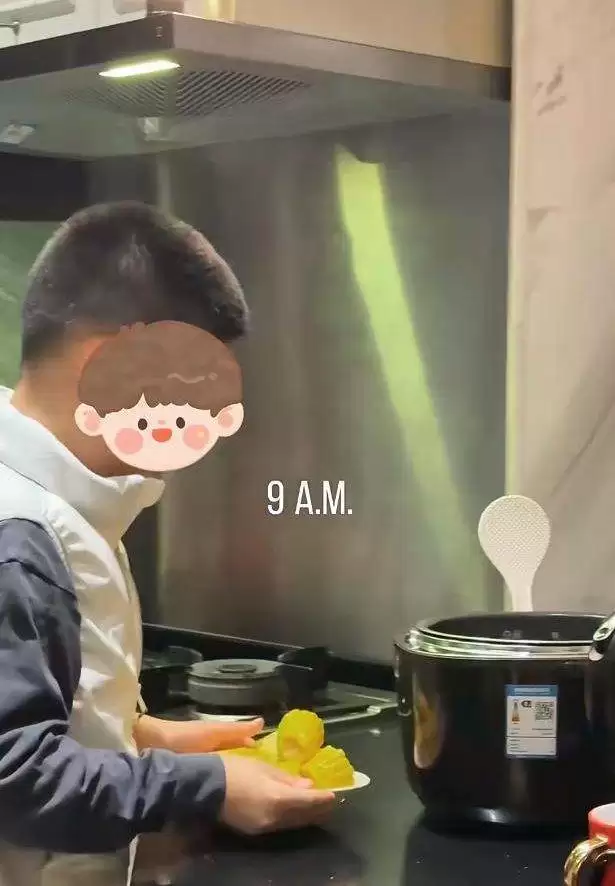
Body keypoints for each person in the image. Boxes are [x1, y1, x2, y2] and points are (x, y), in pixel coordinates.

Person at [0, 201, 335, 886]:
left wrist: (146, 737)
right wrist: (205, 785)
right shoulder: (19, 534)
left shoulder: (70, 503)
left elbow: (52, 704)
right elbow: (14, 776)